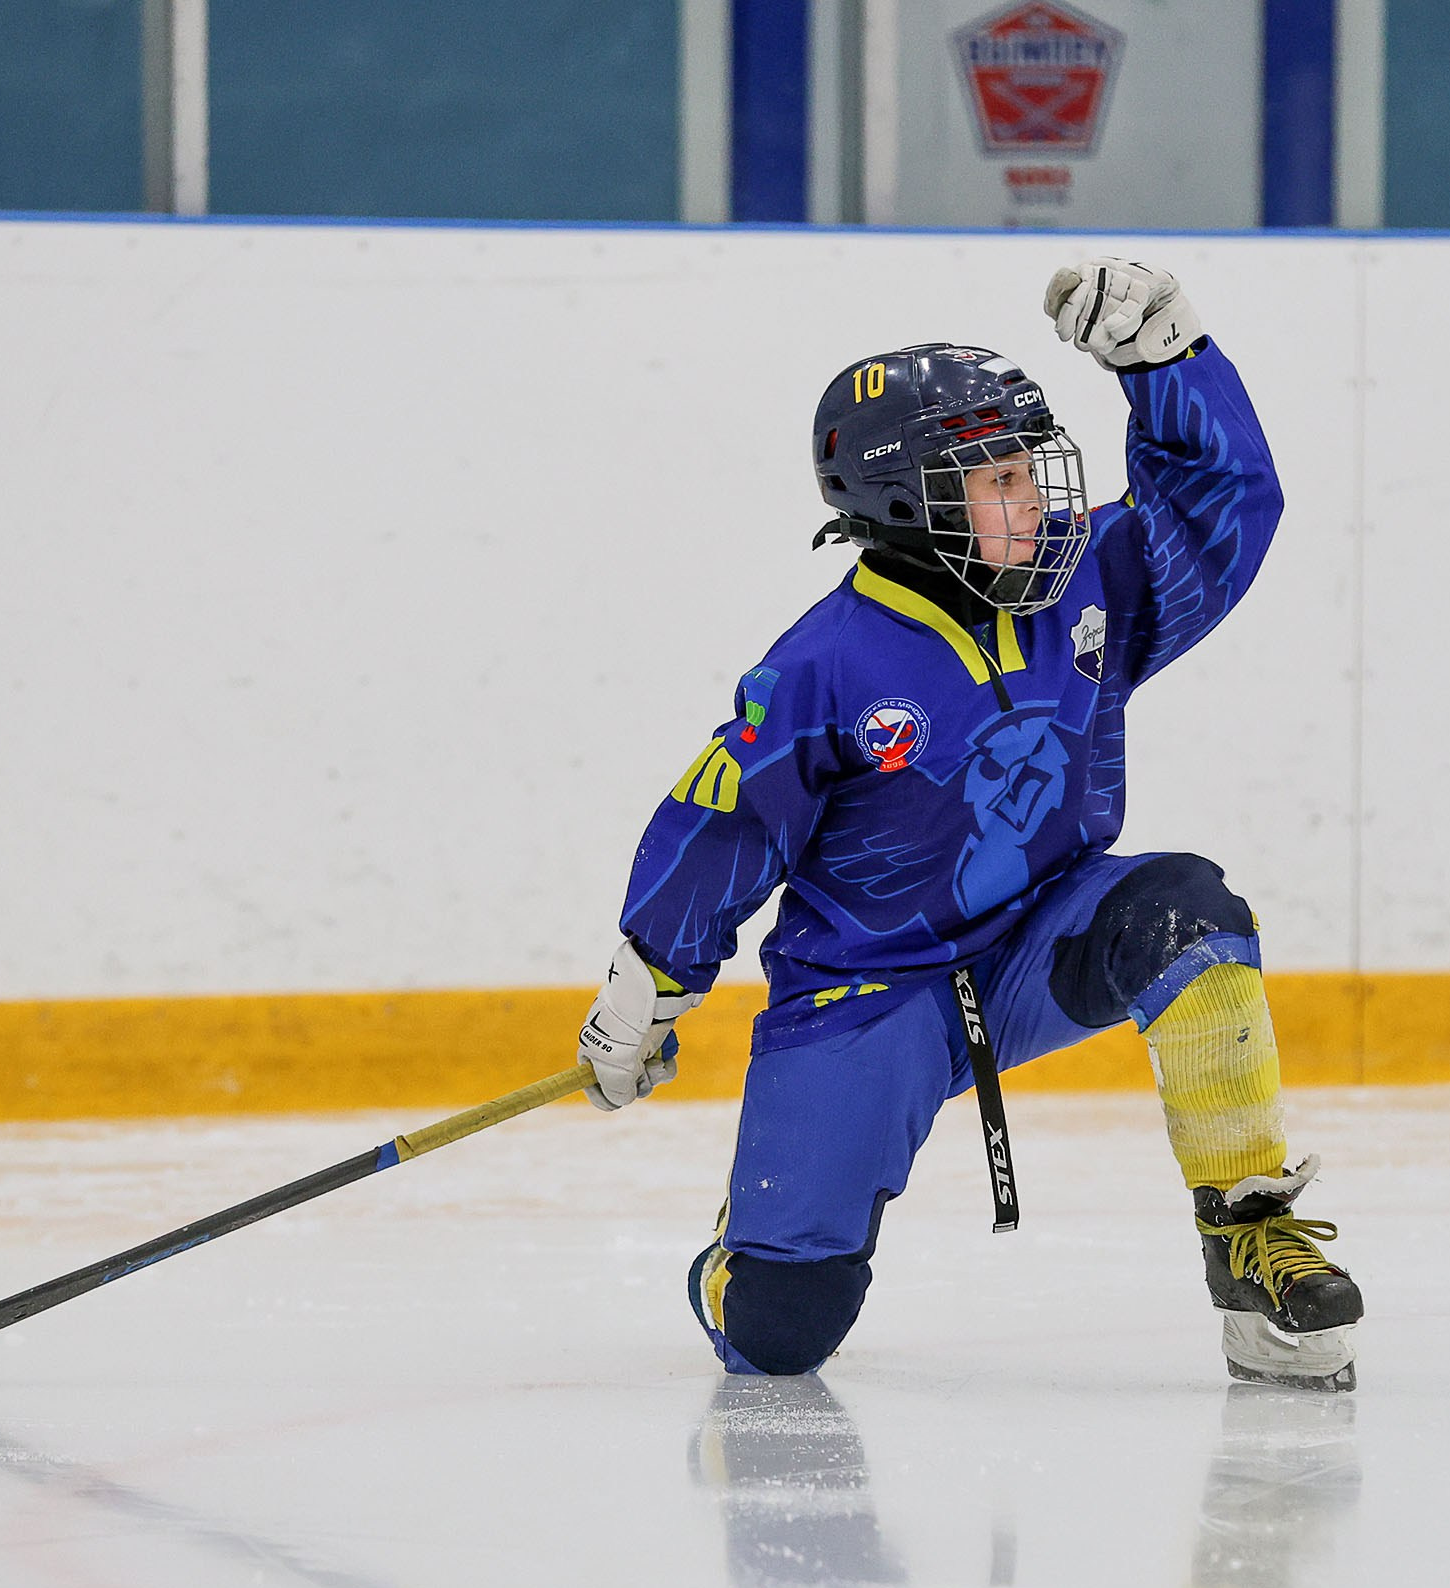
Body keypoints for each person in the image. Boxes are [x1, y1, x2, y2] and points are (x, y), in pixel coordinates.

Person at [576, 259, 1363, 1389]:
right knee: (780, 1334)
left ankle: (1250, 1244)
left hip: (1040, 940)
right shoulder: (821, 668)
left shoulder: (1089, 580)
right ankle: (741, 1256)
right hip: (869, 994)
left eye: (1031, 470)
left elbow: (1221, 509)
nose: (1036, 499)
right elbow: (723, 824)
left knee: (1188, 914)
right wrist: (652, 978)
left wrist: (1171, 365)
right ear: (906, 503)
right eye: (998, 479)